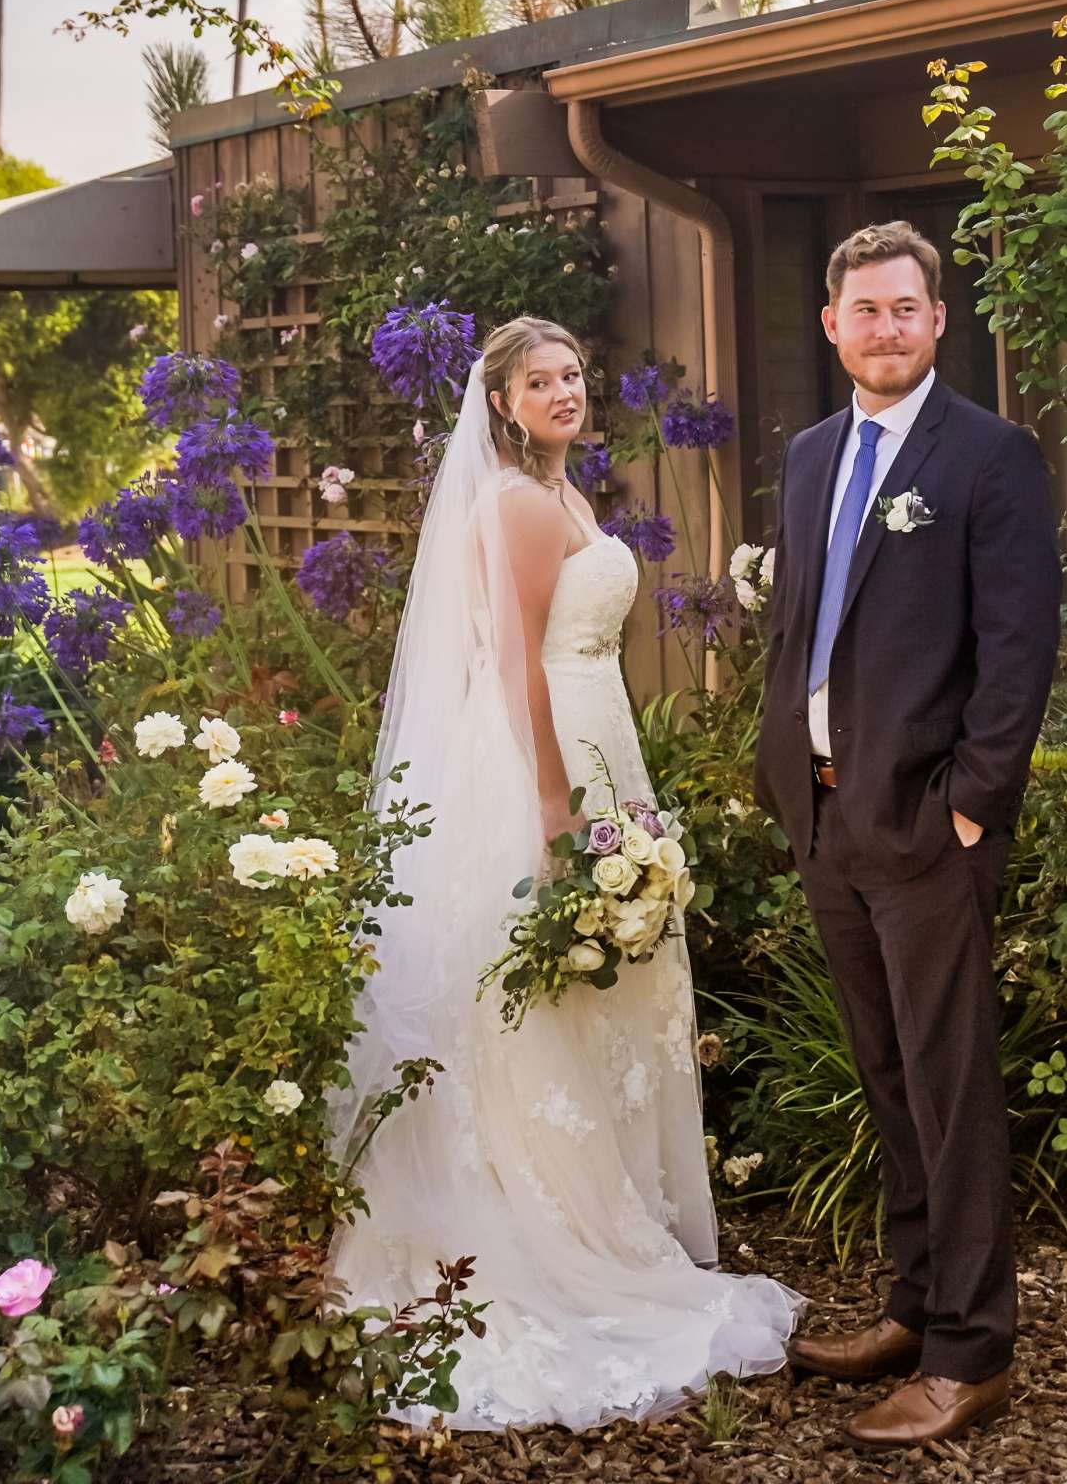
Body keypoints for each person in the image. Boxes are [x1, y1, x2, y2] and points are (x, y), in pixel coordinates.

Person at [330, 316, 799, 1432]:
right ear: (501, 401)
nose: (563, 393)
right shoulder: (517, 503)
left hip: (600, 739)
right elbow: (516, 672)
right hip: (552, 753)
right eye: (539, 382)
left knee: (597, 986)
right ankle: (562, 1224)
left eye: (573, 376)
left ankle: (608, 1203)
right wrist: (555, 804)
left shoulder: (561, 492)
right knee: (548, 986)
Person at [754, 223, 1062, 1449]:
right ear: (832, 327)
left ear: (939, 321)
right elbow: (801, 622)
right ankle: (914, 1303)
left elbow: (1019, 648)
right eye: (862, 310)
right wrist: (789, 778)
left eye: (904, 308)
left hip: (930, 822)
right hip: (828, 812)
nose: (883, 327)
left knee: (949, 1083)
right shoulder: (811, 453)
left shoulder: (990, 456)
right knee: (886, 1077)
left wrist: (971, 805)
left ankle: (972, 1354)